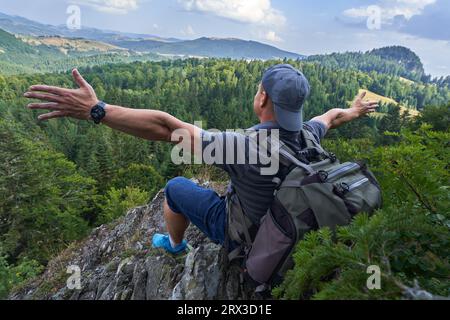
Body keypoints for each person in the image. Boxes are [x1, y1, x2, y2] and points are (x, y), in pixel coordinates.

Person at [24, 64, 378, 255]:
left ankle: (176, 246)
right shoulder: (309, 136)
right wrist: (355, 110)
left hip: (249, 236)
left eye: (258, 89)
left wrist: (96, 110)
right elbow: (331, 116)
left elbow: (166, 128)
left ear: (263, 99)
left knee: (176, 187)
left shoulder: (244, 146)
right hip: (301, 223)